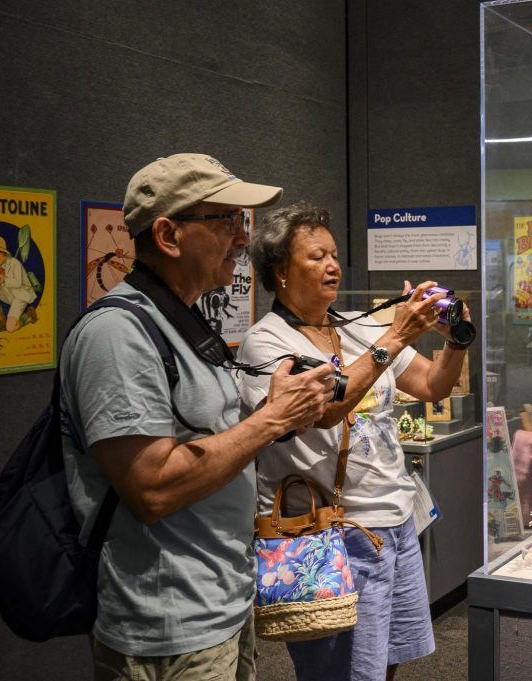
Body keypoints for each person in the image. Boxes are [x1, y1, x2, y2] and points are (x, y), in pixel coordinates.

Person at [60, 154, 336, 680]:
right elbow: (152, 489)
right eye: (226, 219)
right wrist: (272, 420)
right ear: (167, 235)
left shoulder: (177, 318)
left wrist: (271, 409)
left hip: (221, 606)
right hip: (169, 626)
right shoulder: (117, 335)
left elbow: (207, 439)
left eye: (241, 221)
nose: (241, 238)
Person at [236, 201, 470, 681]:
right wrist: (396, 335)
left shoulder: (358, 326)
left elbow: (433, 387)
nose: (333, 265)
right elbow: (325, 410)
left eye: (335, 254)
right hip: (331, 531)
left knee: (386, 664)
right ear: (280, 271)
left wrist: (455, 339)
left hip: (396, 518)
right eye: (316, 256)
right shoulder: (268, 342)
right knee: (338, 673)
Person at [0, 234, 37, 331]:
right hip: (9, 295)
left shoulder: (14, 263)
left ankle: (28, 315)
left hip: (20, 296)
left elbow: (17, 283)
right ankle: (1, 320)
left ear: (4, 254)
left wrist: (3, 278)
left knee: (10, 328)